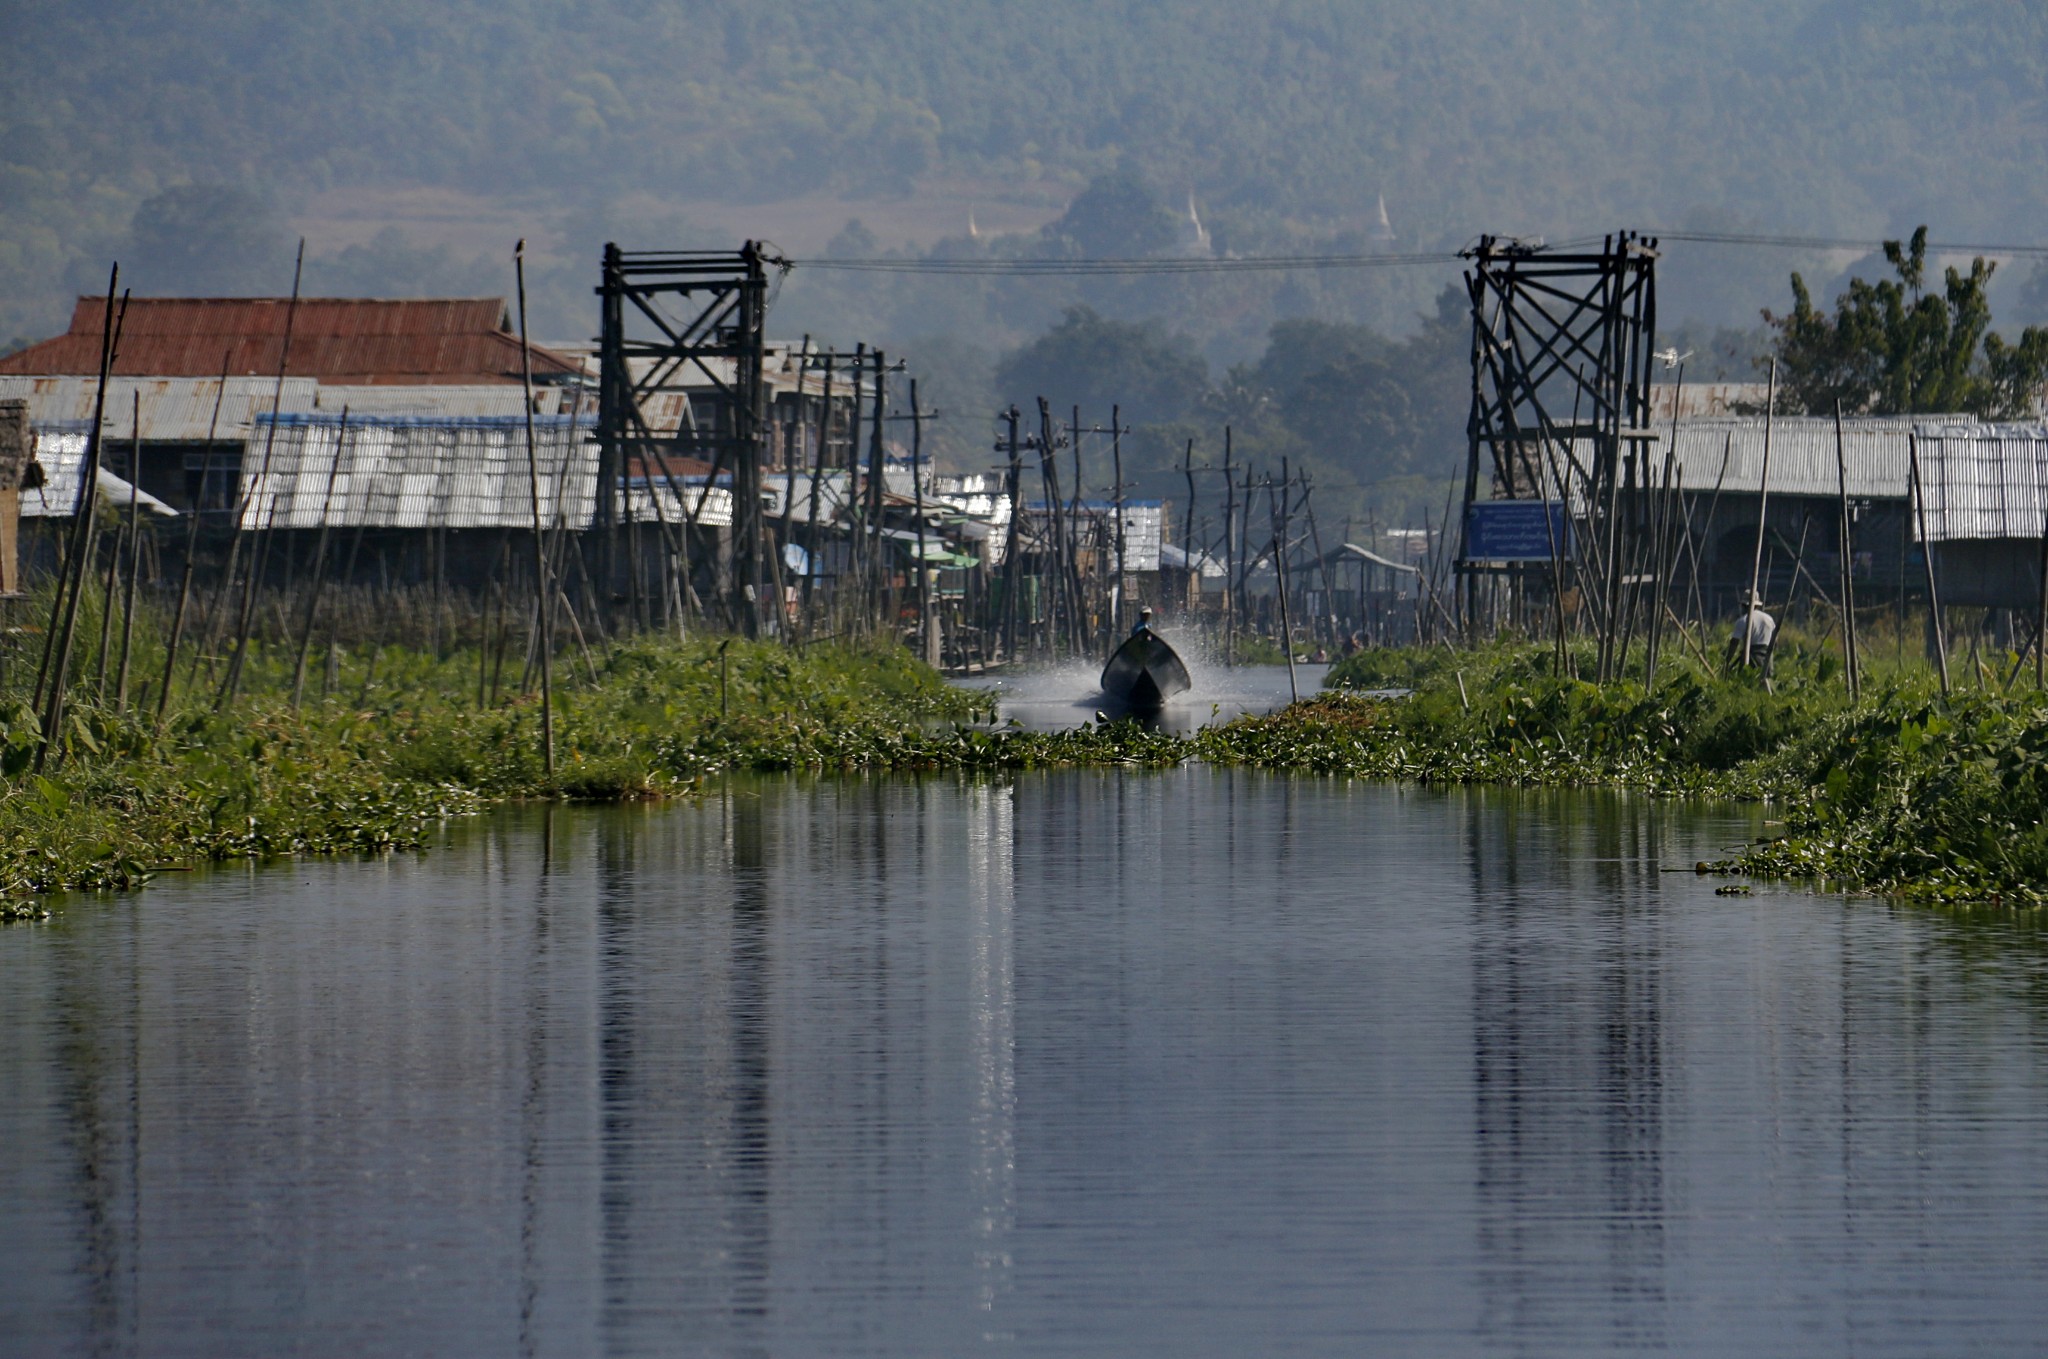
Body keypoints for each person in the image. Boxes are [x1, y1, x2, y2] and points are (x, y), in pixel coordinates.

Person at [1727, 592, 1777, 690]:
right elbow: (1775, 641)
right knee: (1766, 685)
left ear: (1744, 605)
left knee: (1747, 685)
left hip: (1751, 657)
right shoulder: (1769, 619)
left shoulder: (1743, 621)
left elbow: (1734, 643)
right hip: (1767, 657)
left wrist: (1728, 660)